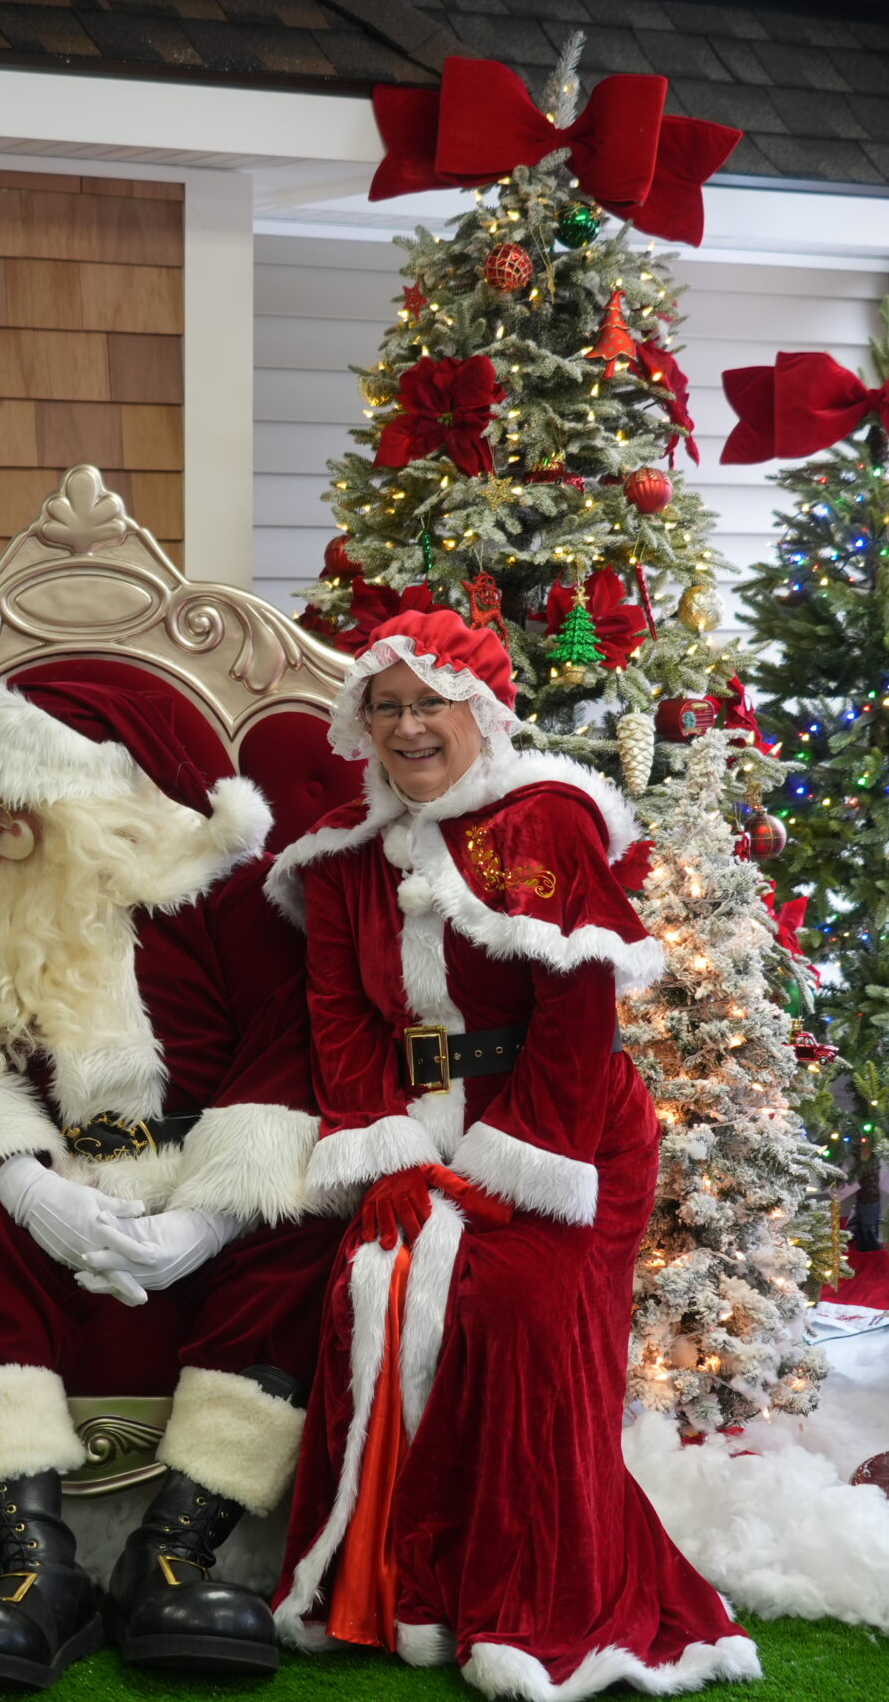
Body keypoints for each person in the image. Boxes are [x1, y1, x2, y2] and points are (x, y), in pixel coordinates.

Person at [267, 609, 758, 1699]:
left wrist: (504, 1166)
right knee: (370, 1285)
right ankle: (397, 1588)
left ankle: (531, 1598)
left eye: (429, 704)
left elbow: (576, 1023)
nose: (408, 728)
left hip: (563, 1131)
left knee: (519, 1315)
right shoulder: (346, 857)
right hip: (420, 1124)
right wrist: (392, 1151)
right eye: (387, 707)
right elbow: (339, 1018)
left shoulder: (542, 823)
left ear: (481, 711)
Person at [0, 679, 336, 1688]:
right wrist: (24, 1184)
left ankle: (173, 1552)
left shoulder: (223, 892)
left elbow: (292, 1049)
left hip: (198, 1171)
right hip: (55, 1175)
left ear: (98, 799)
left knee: (303, 1242)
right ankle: (33, 1567)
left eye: (19, 804)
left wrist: (207, 1220)